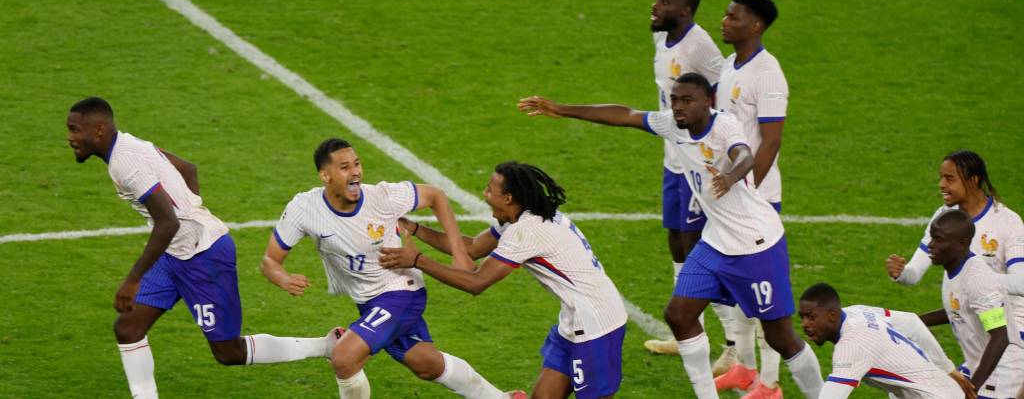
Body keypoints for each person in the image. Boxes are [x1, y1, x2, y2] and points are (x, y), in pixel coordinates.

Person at [517, 72, 822, 399]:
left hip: (757, 244)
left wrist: (731, 176)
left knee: (781, 338)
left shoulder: (725, 126)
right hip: (717, 242)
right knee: (679, 314)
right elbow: (626, 115)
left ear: (708, 102)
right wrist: (562, 109)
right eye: (675, 99)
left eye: (687, 100)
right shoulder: (674, 125)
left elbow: (744, 154)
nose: (678, 106)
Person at [66, 97, 338, 399]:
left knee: (228, 352)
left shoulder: (125, 164)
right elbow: (189, 170)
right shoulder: (128, 145)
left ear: (99, 130)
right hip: (174, 253)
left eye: (75, 130)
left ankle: (326, 346)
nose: (70, 138)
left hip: (204, 256)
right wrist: (190, 211)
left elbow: (167, 223)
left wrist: (133, 280)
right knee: (128, 329)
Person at [260, 138, 521, 399]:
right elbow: (270, 261)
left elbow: (434, 195)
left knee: (344, 357)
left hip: (400, 293)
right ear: (325, 176)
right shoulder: (304, 209)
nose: (355, 172)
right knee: (425, 364)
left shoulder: (381, 197)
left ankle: (327, 346)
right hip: (368, 300)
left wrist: (460, 254)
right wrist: (283, 278)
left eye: (357, 164)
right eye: (344, 167)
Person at [379, 161, 628, 399]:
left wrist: (418, 260)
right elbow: (473, 247)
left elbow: (477, 282)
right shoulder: (524, 217)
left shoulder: (526, 231)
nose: (484, 193)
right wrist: (415, 229)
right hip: (574, 320)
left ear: (508, 198)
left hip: (597, 325)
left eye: (490, 189)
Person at [643, 0, 736, 375]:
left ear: (685, 10)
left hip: (699, 164)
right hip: (673, 158)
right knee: (677, 244)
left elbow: (726, 94)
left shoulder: (699, 47)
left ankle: (734, 346)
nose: (655, 5)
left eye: (664, 1)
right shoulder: (663, 38)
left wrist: (719, 154)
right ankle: (689, 334)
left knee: (699, 250)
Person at [711, 0, 791, 397]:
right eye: (725, 15)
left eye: (733, 17)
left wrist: (749, 194)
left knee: (762, 290)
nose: (724, 22)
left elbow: (771, 141)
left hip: (756, 198)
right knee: (736, 285)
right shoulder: (730, 64)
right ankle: (744, 368)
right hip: (729, 196)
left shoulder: (768, 73)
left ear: (755, 25)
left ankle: (771, 382)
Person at [886, 150, 1024, 340]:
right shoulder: (944, 217)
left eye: (949, 179)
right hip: (977, 330)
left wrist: (974, 280)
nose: (941, 184)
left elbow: (1021, 283)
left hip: (1013, 331)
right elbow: (914, 273)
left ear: (973, 180)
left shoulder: (1007, 221)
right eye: (941, 178)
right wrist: (901, 273)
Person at [917, 209, 1024, 398]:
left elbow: (1000, 336)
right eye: (932, 238)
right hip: (982, 367)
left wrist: (972, 389)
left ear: (962, 243)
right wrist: (916, 321)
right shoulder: (955, 268)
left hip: (1000, 376)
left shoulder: (976, 280)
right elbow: (960, 308)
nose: (931, 245)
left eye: (939, 239)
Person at [798, 283, 971, 399]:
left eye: (811, 317)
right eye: (802, 317)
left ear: (832, 315)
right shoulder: (858, 311)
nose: (804, 325)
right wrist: (948, 369)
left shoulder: (852, 346)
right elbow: (912, 322)